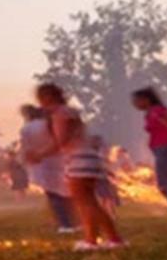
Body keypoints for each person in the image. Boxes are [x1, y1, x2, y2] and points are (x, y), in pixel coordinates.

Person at [31, 84, 124, 250]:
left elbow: (61, 141)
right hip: (89, 158)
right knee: (90, 202)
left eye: (41, 99)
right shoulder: (70, 111)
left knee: (84, 203)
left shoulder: (60, 113)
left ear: (47, 97)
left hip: (78, 159)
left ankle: (101, 240)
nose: (40, 104)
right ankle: (104, 240)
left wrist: (39, 154)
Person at [19, 104, 77, 233]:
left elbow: (26, 149)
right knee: (67, 194)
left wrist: (25, 161)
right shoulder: (50, 124)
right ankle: (74, 222)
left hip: (42, 164)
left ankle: (65, 224)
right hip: (61, 162)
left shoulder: (27, 128)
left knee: (53, 196)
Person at [131, 86, 167, 219]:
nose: (135, 104)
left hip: (166, 149)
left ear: (146, 99)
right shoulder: (151, 113)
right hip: (162, 149)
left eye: (137, 100)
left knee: (164, 184)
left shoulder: (158, 111)